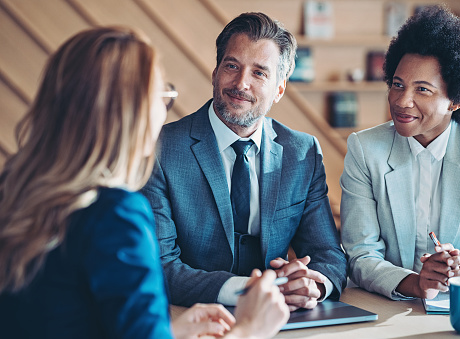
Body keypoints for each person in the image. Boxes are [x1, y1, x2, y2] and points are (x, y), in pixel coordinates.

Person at [0, 26, 289, 339]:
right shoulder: (115, 215)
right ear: (133, 112)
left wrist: (164, 331)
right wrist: (250, 330)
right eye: (161, 95)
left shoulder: (13, 185)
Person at [141, 12, 347, 311]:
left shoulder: (302, 152)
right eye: (232, 66)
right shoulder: (160, 149)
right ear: (215, 72)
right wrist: (251, 290)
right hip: (190, 316)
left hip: (284, 318)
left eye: (259, 73)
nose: (241, 83)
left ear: (279, 89)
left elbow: (328, 254)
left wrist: (312, 285)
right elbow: (160, 266)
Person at [340, 5, 460, 301]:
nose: (402, 101)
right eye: (397, 85)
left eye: (423, 90)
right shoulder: (365, 149)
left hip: (458, 302)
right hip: (384, 303)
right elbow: (360, 254)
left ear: (455, 100)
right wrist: (417, 283)